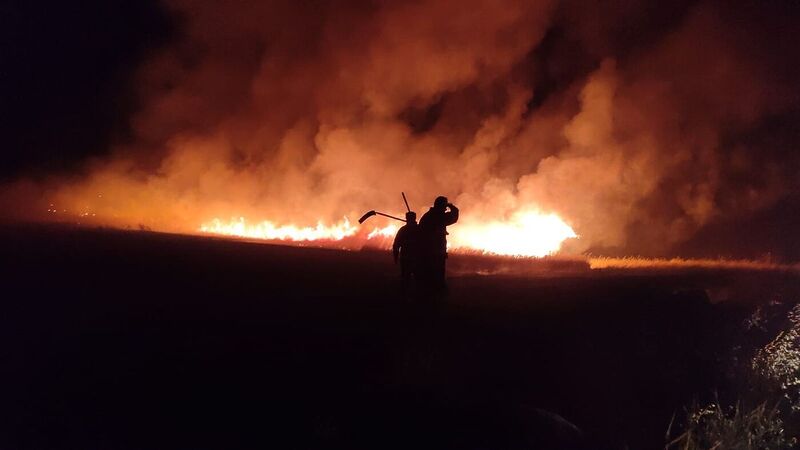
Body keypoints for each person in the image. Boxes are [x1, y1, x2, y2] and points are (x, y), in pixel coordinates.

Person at [418, 196, 459, 294]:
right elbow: (454, 217)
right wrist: (451, 206)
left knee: (427, 273)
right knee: (438, 273)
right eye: (444, 207)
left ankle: (426, 293)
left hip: (426, 251)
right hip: (437, 251)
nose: (445, 210)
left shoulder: (426, 216)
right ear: (442, 206)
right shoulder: (440, 217)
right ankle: (437, 294)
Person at [392, 211, 420, 296]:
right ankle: (418, 296)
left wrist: (396, 257)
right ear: (415, 218)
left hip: (406, 258)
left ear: (406, 219)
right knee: (418, 278)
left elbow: (396, 245)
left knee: (405, 278)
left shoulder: (403, 230)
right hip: (417, 258)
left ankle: (405, 295)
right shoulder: (420, 229)